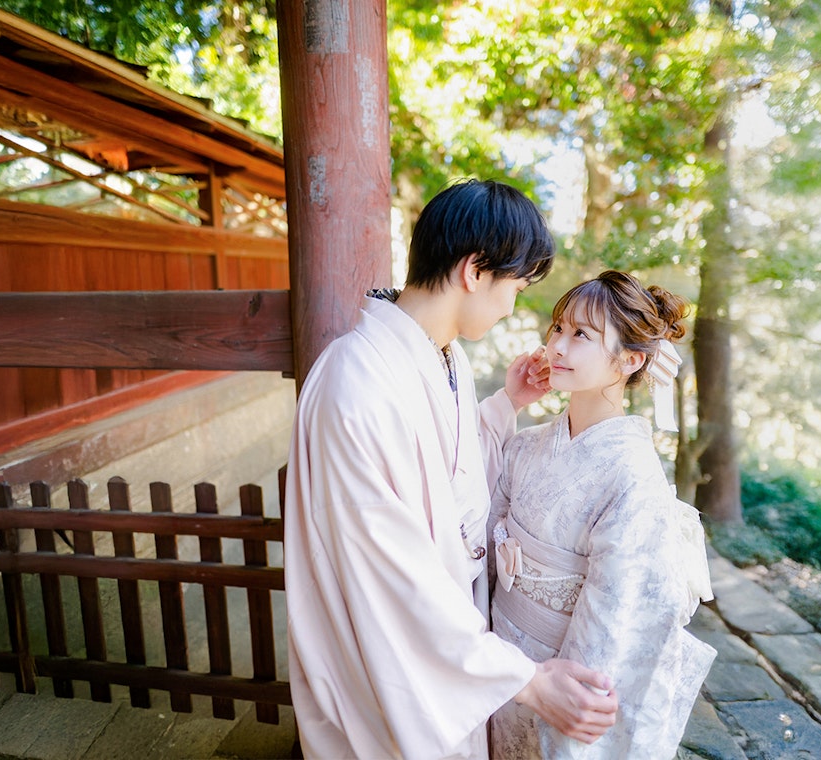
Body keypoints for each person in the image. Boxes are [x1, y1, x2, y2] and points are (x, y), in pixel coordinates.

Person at [284, 179, 619, 759]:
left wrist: (503, 406)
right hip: (388, 656)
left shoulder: (445, 356)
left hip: (449, 642)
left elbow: (450, 483)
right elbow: (393, 577)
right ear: (475, 271)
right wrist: (528, 679)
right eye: (515, 283)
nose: (515, 302)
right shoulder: (355, 385)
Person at [489, 270, 717, 759]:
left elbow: (615, 617)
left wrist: (571, 710)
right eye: (558, 328)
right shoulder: (526, 445)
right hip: (501, 664)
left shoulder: (634, 475)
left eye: (581, 335)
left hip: (563, 673)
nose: (558, 347)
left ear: (630, 360)